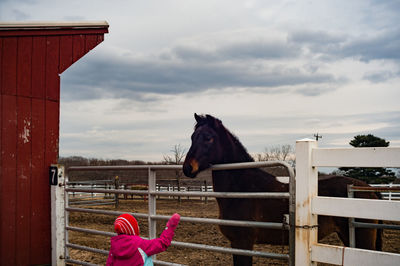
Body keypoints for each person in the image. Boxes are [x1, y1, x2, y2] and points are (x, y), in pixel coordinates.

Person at [106, 213, 180, 266]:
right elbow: (162, 243)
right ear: (133, 229)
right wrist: (169, 228)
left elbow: (109, 263)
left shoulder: (114, 247)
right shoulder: (140, 245)